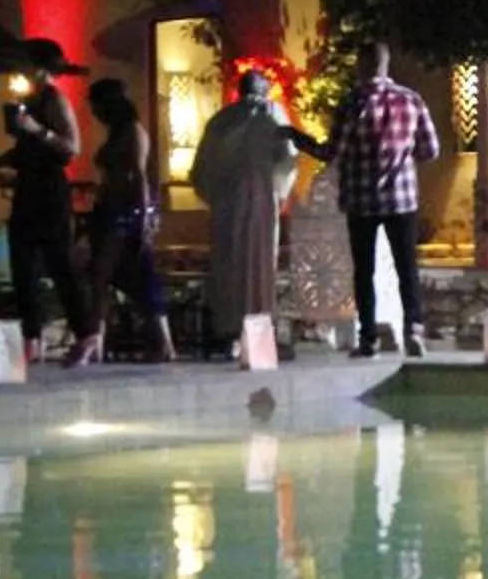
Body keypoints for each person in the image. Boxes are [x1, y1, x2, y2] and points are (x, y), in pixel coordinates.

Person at [302, 39, 438, 359]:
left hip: (361, 200)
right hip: (402, 198)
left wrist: (297, 139)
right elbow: (430, 150)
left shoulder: (352, 103)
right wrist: (403, 156)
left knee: (364, 270)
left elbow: (331, 152)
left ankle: (369, 338)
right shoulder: (412, 100)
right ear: (386, 64)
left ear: (361, 65)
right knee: (408, 267)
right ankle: (414, 330)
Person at [187, 66, 299, 356]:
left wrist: (215, 195)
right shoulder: (271, 113)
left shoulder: (221, 121)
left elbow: (202, 168)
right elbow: (287, 159)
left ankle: (231, 330)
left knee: (229, 263)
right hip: (260, 197)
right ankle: (259, 333)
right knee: (260, 265)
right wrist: (278, 192)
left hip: (227, 202)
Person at [0, 42, 84, 358]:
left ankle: (85, 333)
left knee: (59, 262)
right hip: (28, 185)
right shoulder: (28, 100)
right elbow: (23, 149)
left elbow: (71, 146)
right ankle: (31, 335)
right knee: (23, 265)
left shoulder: (54, 99)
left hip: (50, 188)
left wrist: (36, 129)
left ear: (41, 68)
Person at [70, 77, 172, 364]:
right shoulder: (115, 133)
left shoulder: (132, 132)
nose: (93, 112)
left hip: (124, 211)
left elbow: (139, 175)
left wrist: (143, 214)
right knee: (103, 277)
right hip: (108, 208)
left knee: (112, 274)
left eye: (95, 105)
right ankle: (96, 342)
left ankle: (96, 341)